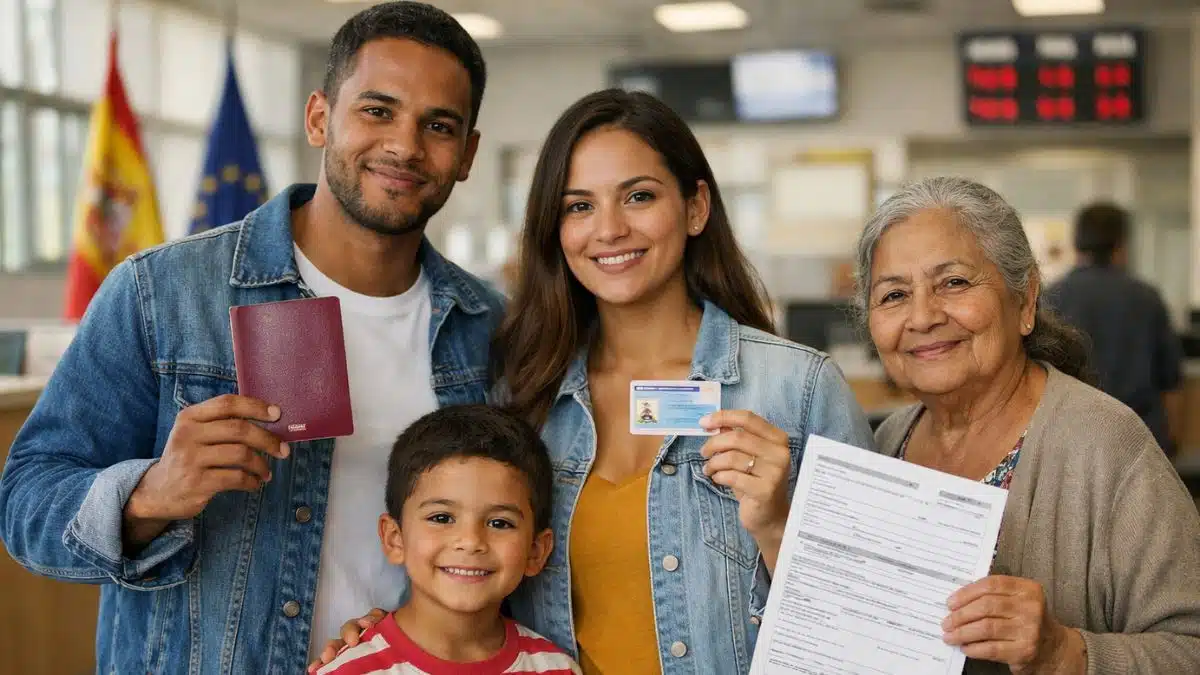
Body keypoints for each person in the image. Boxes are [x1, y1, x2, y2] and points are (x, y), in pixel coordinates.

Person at [0, 3, 502, 673]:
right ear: (320, 117)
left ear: (467, 154)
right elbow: (25, 506)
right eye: (377, 111)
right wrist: (151, 494)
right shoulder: (163, 292)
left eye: (438, 126)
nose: (405, 147)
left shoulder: (491, 327)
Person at [312, 88, 875, 674]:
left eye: (638, 196)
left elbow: (879, 631)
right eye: (579, 206)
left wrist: (779, 526)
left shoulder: (796, 389)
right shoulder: (524, 393)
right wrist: (400, 636)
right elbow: (471, 576)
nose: (608, 229)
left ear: (695, 207)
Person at [857, 176, 1200, 673]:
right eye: (893, 295)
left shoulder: (1107, 445)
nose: (922, 316)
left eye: (953, 282)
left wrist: (1064, 653)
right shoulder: (887, 444)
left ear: (1024, 302)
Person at [316, 404, 580, 675]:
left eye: (499, 523)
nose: (470, 540)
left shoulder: (557, 669)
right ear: (395, 539)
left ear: (536, 551)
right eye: (442, 518)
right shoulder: (347, 670)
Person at [1044, 201, 1185, 456]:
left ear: (1077, 242)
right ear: (1121, 244)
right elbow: (1171, 383)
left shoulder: (1052, 297)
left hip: (1072, 439)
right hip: (1143, 439)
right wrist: (1172, 443)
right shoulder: (1147, 298)